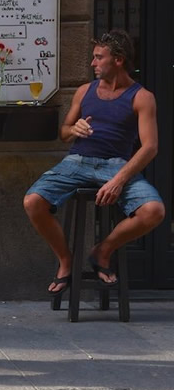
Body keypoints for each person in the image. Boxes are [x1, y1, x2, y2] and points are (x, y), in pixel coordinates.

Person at [23, 29, 165, 295]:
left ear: (119, 60)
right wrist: (73, 129)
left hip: (116, 165)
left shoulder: (141, 97)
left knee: (154, 211)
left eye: (99, 57)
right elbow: (64, 133)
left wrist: (119, 180)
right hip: (77, 161)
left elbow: (150, 147)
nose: (93, 63)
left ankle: (102, 251)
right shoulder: (84, 91)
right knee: (33, 202)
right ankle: (66, 260)